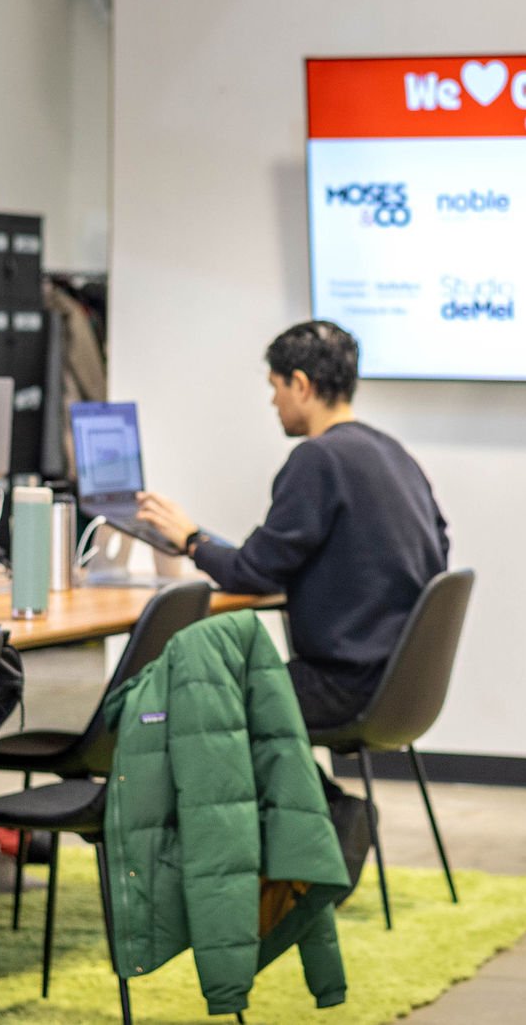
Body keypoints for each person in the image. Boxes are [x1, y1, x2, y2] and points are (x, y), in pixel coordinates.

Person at [133, 319, 448, 890]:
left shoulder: (317, 460)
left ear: (300, 384)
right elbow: (436, 546)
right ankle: (319, 823)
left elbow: (254, 570)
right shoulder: (392, 453)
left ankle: (320, 823)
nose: (273, 402)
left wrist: (190, 539)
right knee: (242, 693)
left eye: (275, 387)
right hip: (401, 682)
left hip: (343, 683)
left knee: (201, 703)